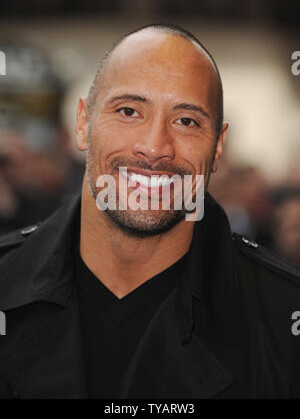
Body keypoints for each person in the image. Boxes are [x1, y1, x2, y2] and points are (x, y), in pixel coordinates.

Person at [0, 24, 299, 399]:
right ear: (83, 123)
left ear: (218, 147)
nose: (155, 147)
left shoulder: (285, 318)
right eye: (129, 111)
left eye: (186, 121)